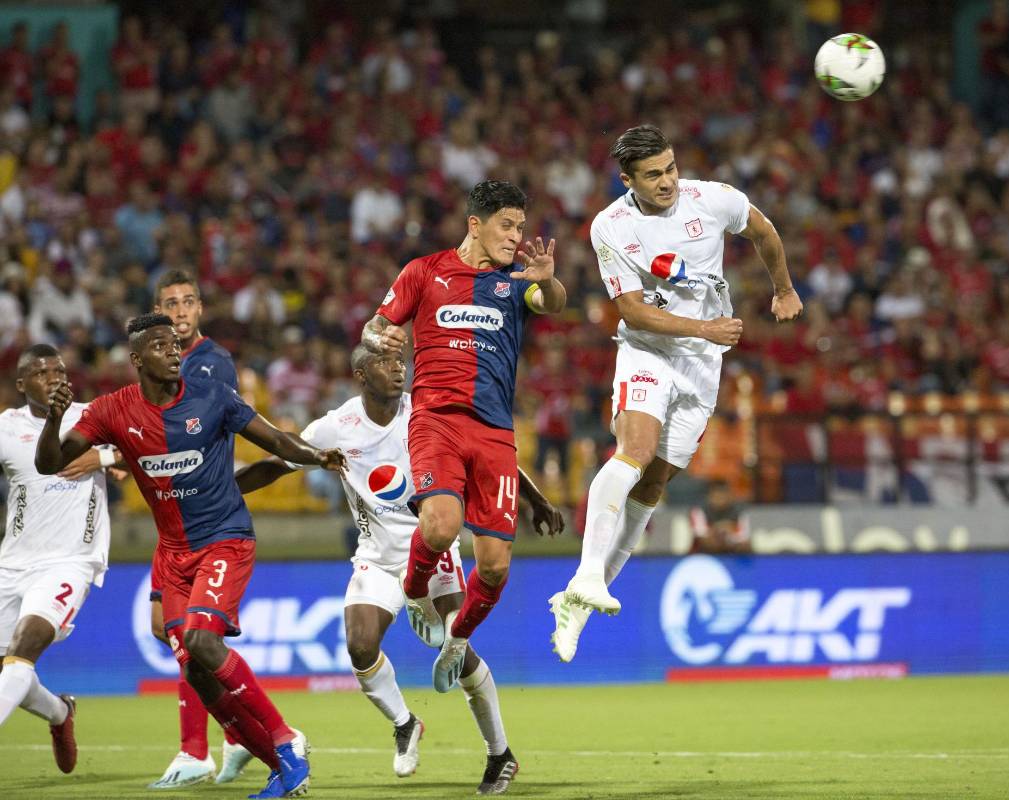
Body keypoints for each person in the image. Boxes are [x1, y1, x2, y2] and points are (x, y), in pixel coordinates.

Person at [35, 313, 347, 800]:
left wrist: (316, 456)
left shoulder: (213, 396)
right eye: (161, 346)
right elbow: (50, 463)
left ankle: (287, 742)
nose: (174, 351)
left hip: (224, 538)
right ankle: (281, 769)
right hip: (173, 554)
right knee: (196, 671)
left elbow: (274, 440)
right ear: (138, 360)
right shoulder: (113, 410)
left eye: (176, 344)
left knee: (203, 642)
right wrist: (54, 419)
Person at [235, 343, 564, 794]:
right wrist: (222, 493)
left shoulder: (428, 413)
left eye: (399, 362)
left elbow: (489, 455)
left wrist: (536, 499)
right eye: (384, 364)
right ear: (360, 375)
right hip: (376, 556)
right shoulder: (337, 426)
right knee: (360, 644)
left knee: (457, 649)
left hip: (433, 548)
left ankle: (500, 753)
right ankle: (405, 723)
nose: (397, 369)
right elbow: (277, 464)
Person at [550, 124, 802, 661]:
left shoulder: (713, 200)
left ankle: (579, 599)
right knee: (634, 452)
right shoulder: (611, 226)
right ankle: (589, 573)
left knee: (655, 481)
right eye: (652, 175)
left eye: (670, 168)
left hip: (702, 366)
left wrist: (783, 289)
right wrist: (705, 329)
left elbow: (764, 231)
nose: (666, 182)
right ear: (627, 180)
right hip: (648, 349)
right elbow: (634, 310)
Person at [363, 180, 566, 691]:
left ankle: (457, 641)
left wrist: (550, 281)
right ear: (475, 224)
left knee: (495, 567)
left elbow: (551, 302)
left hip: (495, 431)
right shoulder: (423, 271)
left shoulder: (517, 281)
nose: (516, 237)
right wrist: (380, 335)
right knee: (441, 524)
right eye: (506, 225)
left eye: (520, 226)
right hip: (436, 420)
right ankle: (414, 592)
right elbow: (374, 325)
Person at [147, 269, 254, 789]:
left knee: (190, 636)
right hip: (173, 522)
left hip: (205, 521)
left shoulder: (211, 364)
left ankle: (199, 749)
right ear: (157, 313)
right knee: (165, 628)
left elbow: (207, 430)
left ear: (200, 310)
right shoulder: (157, 368)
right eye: (171, 304)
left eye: (189, 302)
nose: (181, 311)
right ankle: (233, 737)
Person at [0, 344, 113, 773]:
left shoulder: (94, 417)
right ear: (21, 383)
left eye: (59, 370)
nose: (53, 377)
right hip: (12, 564)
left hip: (70, 560)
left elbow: (151, 445)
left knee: (24, 650)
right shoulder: (6, 427)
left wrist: (104, 456)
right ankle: (60, 713)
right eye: (41, 372)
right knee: (9, 670)